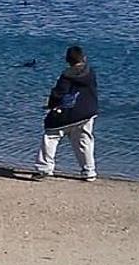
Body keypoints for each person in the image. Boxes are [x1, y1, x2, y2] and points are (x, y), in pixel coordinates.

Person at [34, 45, 99, 181]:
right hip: (87, 112)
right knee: (84, 141)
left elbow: (58, 94)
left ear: (67, 60)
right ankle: (89, 171)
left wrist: (51, 105)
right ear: (84, 58)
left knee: (51, 136)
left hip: (66, 114)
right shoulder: (90, 73)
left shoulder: (66, 76)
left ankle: (44, 168)